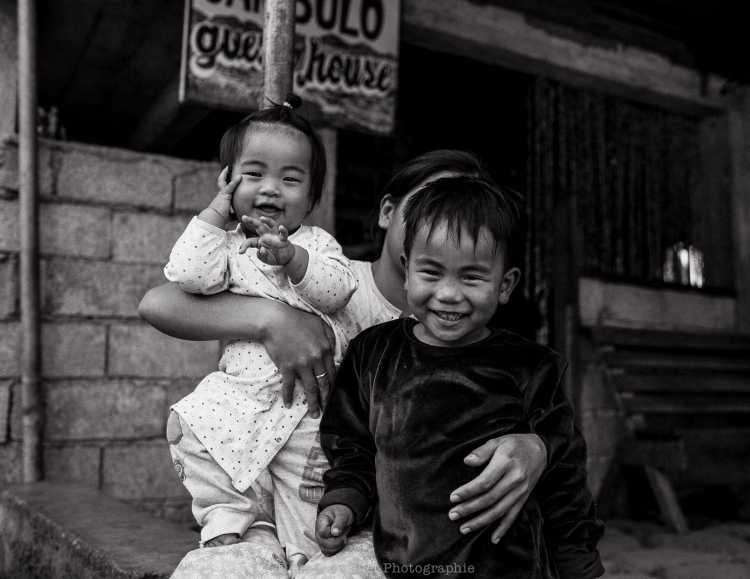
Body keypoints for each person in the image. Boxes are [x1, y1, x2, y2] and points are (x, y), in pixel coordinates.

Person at [139, 150, 550, 579]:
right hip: (264, 507)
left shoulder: (466, 333)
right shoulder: (321, 275)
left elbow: (529, 420)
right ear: (388, 211)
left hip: (367, 530)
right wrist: (273, 319)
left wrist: (538, 448)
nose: (445, 223)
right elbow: (158, 302)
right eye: (431, 202)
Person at [315, 176, 604, 579]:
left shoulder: (531, 367)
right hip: (405, 565)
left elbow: (564, 477)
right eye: (431, 273)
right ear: (407, 269)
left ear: (505, 285)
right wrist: (345, 500)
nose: (449, 294)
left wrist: (580, 568)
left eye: (471, 277)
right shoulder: (373, 353)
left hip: (510, 568)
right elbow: (352, 444)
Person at [164, 94, 359, 573]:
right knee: (192, 424)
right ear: (228, 182)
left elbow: (337, 291)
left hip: (307, 410)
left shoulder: (315, 243)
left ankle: (302, 551)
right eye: (253, 174)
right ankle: (231, 520)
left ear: (312, 197)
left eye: (291, 179)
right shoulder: (226, 248)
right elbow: (186, 276)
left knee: (308, 490)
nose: (272, 188)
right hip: (242, 398)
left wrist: (292, 259)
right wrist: (214, 213)